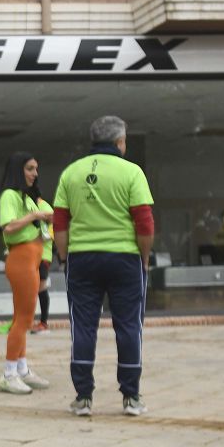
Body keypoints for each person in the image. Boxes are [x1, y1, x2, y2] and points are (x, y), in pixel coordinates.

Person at [54, 116, 154, 417]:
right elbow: (144, 222)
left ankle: (83, 397)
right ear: (120, 142)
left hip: (82, 258)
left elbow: (60, 223)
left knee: (83, 325)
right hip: (124, 259)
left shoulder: (71, 173)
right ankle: (131, 397)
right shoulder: (132, 172)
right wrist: (144, 258)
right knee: (128, 326)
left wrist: (64, 258)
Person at [0, 152, 53, 395]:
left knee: (25, 317)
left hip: (32, 258)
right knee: (23, 319)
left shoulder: (27, 197)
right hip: (21, 259)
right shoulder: (10, 195)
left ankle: (21, 368)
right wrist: (35, 216)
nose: (34, 173)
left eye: (36, 168)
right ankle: (9, 373)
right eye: (30, 168)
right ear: (19, 170)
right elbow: (8, 227)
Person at [31, 188, 54, 334]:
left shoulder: (43, 205)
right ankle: (27, 321)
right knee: (30, 288)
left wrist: (44, 236)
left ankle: (43, 323)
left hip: (43, 254)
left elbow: (55, 224)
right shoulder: (28, 206)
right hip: (31, 253)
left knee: (41, 286)